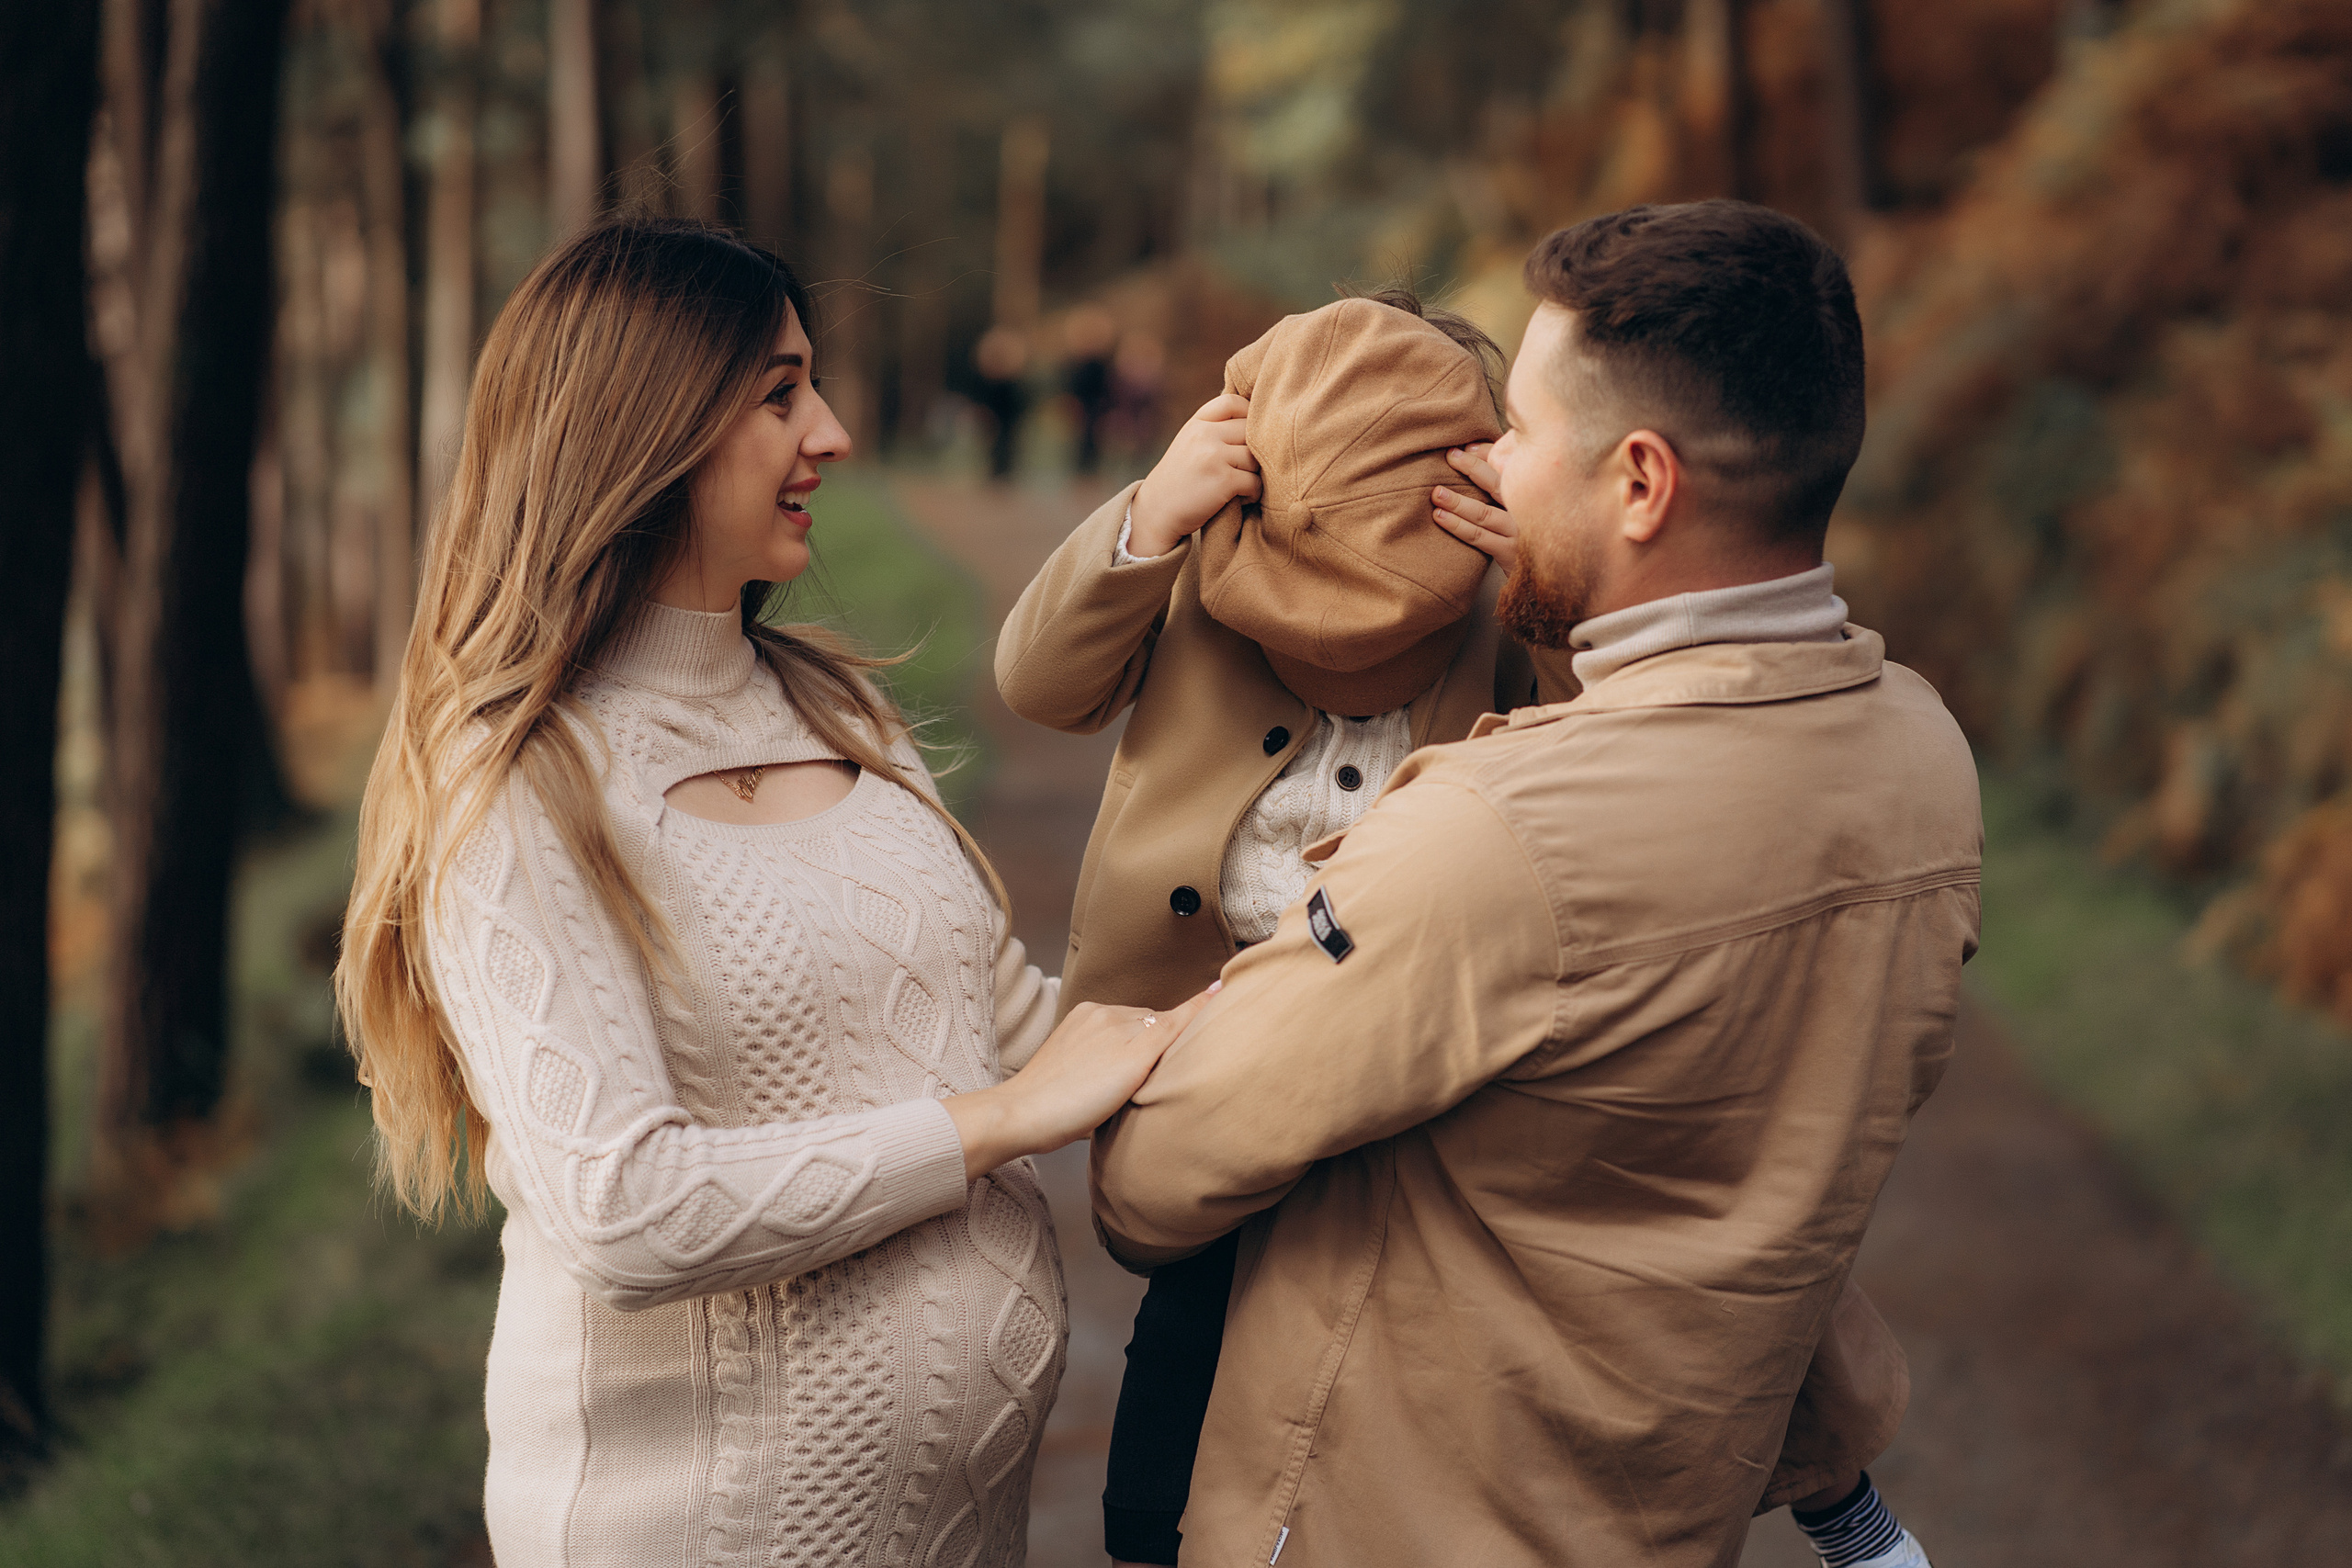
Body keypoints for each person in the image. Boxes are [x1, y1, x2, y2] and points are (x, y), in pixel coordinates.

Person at [1090, 200, 1979, 1568]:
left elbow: (1152, 1184)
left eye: (1518, 427)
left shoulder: (1494, 835)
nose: (1491, 462)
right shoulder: (1925, 759)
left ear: (1639, 482)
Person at [333, 219, 1198, 1568]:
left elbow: (1021, 1027)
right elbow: (626, 1205)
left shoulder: (834, 704)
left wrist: (1344, 958)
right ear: (645, 429)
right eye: (781, 394)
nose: (834, 434)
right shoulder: (515, 781)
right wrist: (990, 1127)